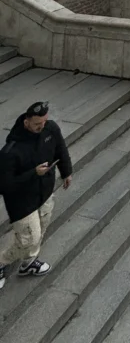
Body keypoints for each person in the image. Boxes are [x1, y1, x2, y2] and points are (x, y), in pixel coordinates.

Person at [0, 101, 73, 288]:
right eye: (37, 124)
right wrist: (33, 173)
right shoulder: (11, 151)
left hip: (45, 192)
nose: (42, 127)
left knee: (42, 226)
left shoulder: (50, 129)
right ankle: (1, 262)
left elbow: (61, 149)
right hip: (22, 202)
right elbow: (4, 185)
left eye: (44, 122)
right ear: (26, 122)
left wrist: (67, 172)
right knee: (28, 239)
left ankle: (29, 263)